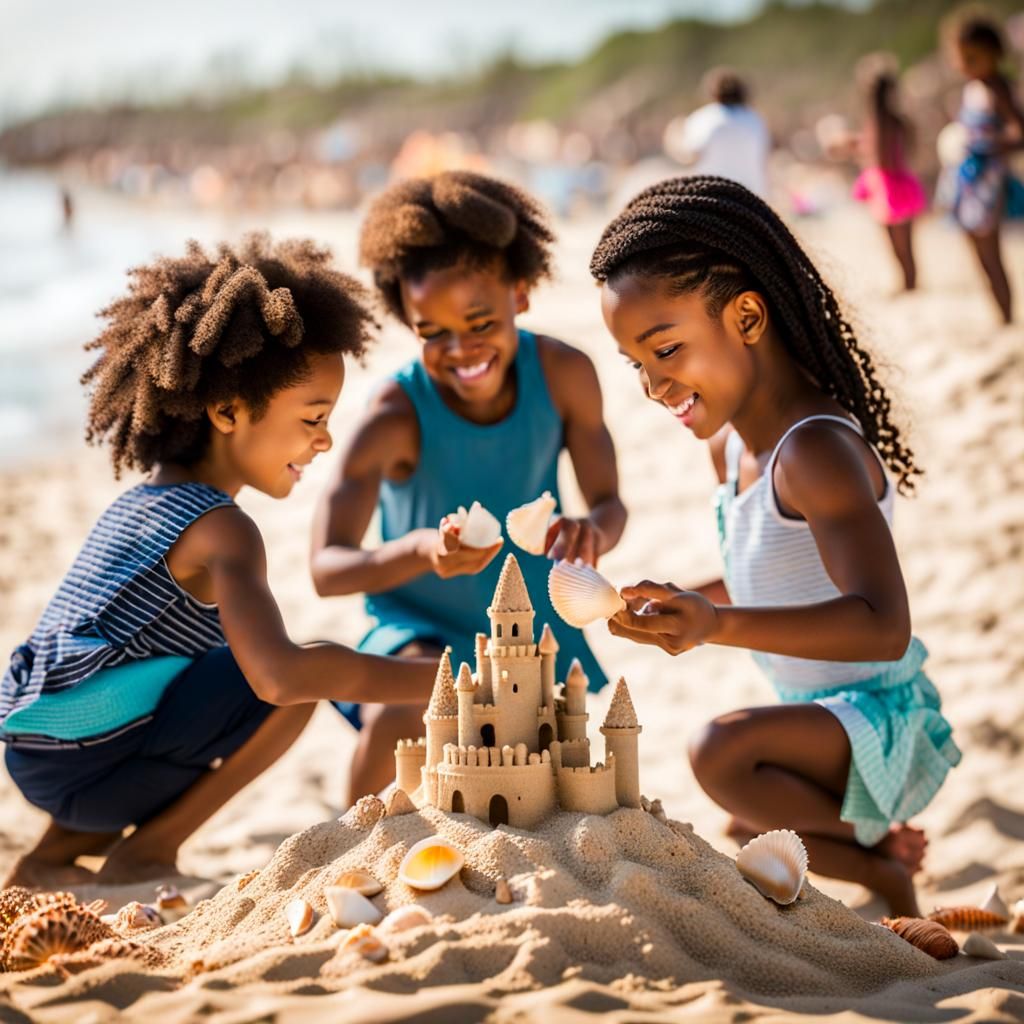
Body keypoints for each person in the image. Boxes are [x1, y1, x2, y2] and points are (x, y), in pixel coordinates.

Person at [1, 235, 435, 888]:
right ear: (228, 410)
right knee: (297, 675)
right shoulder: (224, 529)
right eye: (312, 418)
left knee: (194, 672)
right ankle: (150, 849)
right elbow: (281, 680)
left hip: (34, 749)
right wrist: (448, 679)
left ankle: (54, 854)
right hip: (92, 765)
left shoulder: (143, 500)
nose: (325, 439)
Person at [590, 176, 960, 916]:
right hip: (821, 718)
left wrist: (716, 627)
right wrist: (687, 599)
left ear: (748, 315)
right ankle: (885, 873)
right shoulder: (728, 450)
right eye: (636, 364)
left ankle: (881, 843)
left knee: (717, 753)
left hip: (880, 718)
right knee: (745, 826)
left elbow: (885, 629)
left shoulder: (814, 452)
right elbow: (775, 575)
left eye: (665, 349)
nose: (654, 385)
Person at [311, 171, 627, 805]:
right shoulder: (393, 416)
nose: (460, 348)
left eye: (480, 321)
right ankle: (348, 843)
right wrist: (424, 550)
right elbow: (327, 567)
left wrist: (592, 533)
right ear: (408, 320)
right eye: (433, 333)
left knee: (538, 784)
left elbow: (610, 504)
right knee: (414, 712)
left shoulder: (565, 375)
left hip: (529, 633)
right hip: (416, 628)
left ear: (521, 292)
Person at [946, 12, 1024, 323]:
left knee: (991, 252)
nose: (965, 64)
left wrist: (986, 144)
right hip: (968, 179)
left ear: (993, 53)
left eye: (973, 57)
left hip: (989, 181)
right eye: (961, 57)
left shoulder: (998, 87)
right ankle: (999, 313)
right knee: (977, 250)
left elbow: (1019, 134)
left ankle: (1007, 316)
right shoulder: (971, 88)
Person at [851, 58, 927, 291]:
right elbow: (910, 150)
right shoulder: (898, 120)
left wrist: (862, 152)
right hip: (900, 181)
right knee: (905, 245)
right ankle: (909, 283)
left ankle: (909, 285)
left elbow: (883, 158)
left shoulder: (880, 121)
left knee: (898, 245)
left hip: (890, 186)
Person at [663, 68, 771, 199]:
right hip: (752, 198)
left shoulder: (705, 118)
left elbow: (689, 157)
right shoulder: (755, 120)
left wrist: (672, 135)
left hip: (713, 197)